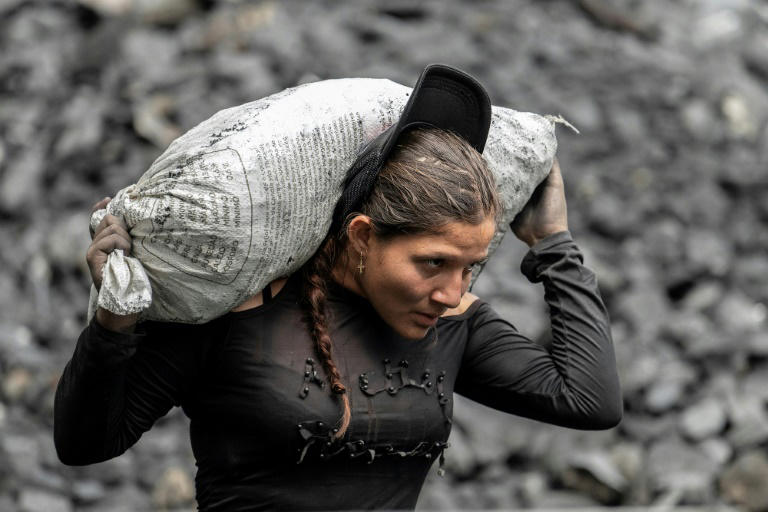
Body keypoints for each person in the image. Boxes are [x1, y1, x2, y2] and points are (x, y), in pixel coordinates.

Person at [54, 65, 622, 511]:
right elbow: (86, 444)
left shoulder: (454, 325)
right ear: (363, 235)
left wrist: (553, 244)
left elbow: (589, 401)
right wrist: (114, 323)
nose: (452, 291)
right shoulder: (242, 313)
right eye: (433, 263)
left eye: (470, 267)